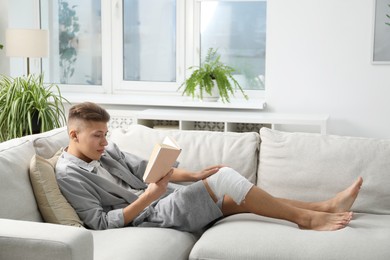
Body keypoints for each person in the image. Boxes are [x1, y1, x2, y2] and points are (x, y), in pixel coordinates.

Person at [56, 102, 363, 232]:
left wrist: (196, 174)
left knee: (238, 198)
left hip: (165, 197)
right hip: (150, 215)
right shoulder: (68, 174)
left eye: (106, 134)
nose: (104, 142)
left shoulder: (106, 152)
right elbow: (100, 223)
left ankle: (324, 206)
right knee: (228, 178)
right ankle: (306, 220)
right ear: (74, 135)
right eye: (98, 135)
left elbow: (150, 170)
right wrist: (148, 197)